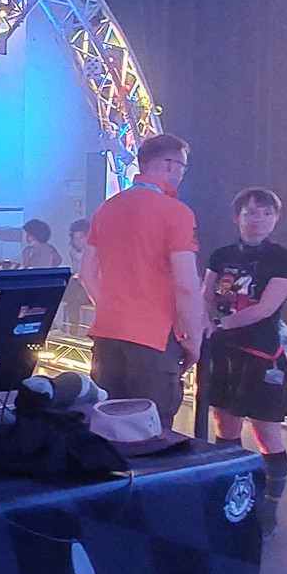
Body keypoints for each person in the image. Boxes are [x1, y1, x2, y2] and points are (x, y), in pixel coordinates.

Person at [77, 134, 201, 425]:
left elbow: (86, 274)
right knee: (151, 431)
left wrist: (112, 308)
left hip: (107, 334)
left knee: (108, 427)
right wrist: (193, 339)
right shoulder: (176, 212)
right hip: (154, 340)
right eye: (182, 166)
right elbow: (186, 285)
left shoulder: (107, 208)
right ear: (169, 164)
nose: (182, 174)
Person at [200, 187, 287, 533]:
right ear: (237, 217)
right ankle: (232, 498)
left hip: (260, 355)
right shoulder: (221, 255)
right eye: (251, 213)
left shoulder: (283, 259)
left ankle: (269, 506)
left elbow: (266, 308)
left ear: (276, 218)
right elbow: (206, 295)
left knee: (266, 432)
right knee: (224, 427)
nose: (259, 220)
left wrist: (220, 325)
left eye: (267, 213)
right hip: (222, 353)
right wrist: (205, 323)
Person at [62, 218, 92, 334]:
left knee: (72, 294)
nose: (78, 241)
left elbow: (88, 271)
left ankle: (73, 328)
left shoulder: (93, 251)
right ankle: (70, 327)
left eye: (81, 237)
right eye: (75, 238)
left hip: (90, 289)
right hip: (78, 288)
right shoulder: (74, 252)